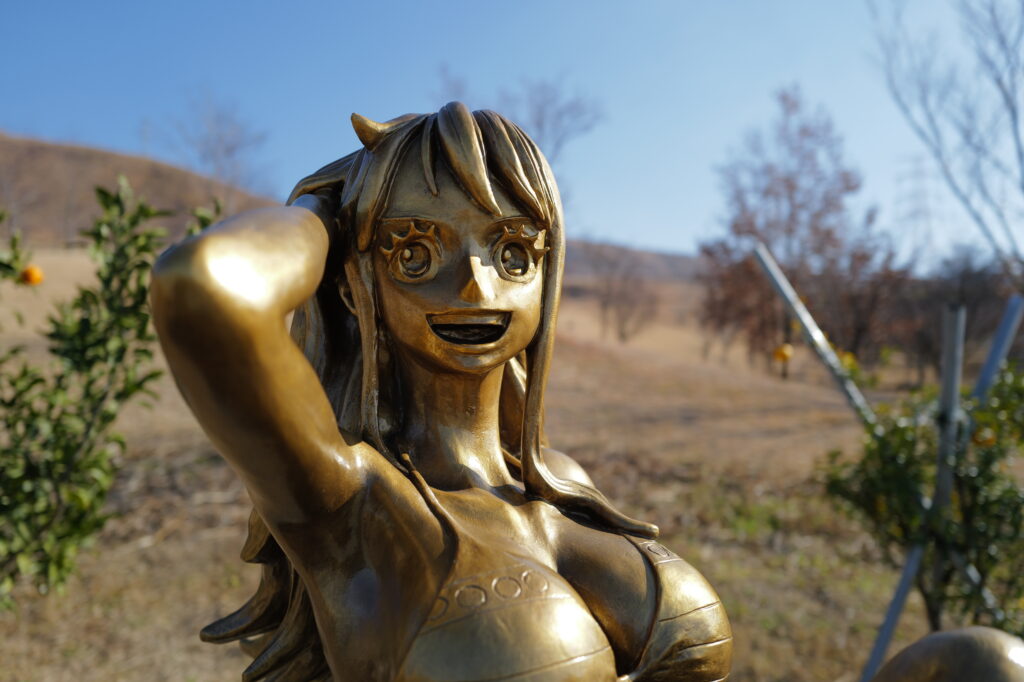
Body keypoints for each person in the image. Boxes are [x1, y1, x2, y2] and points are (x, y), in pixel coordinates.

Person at [151, 102, 732, 682]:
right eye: (414, 253)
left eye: (513, 253)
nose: (477, 284)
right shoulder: (351, 505)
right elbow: (203, 288)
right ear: (356, 285)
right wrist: (327, 212)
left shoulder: (562, 480)